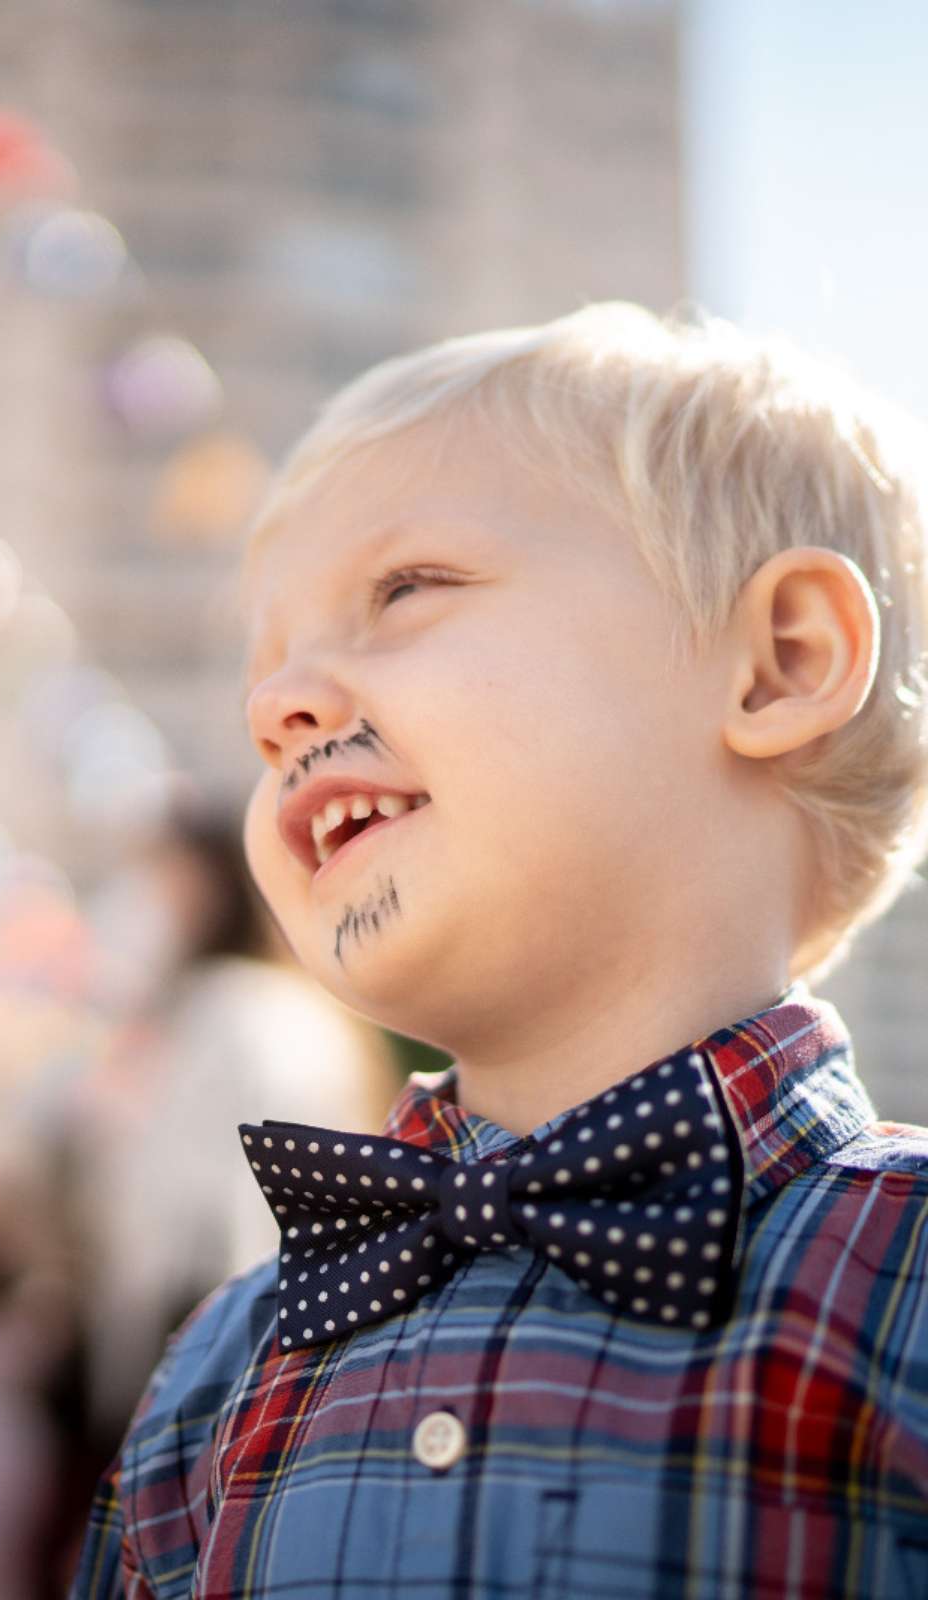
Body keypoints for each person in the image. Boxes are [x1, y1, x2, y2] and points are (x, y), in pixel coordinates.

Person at [68, 303, 928, 1599]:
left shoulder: (906, 1268)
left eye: (407, 588)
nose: (274, 706)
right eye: (268, 669)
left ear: (779, 663)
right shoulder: (217, 1366)